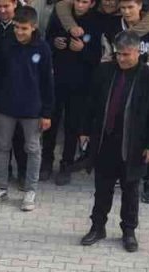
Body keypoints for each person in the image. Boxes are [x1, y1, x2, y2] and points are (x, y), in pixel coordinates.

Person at [80, 31, 149, 253]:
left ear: (138, 52)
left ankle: (129, 231)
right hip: (105, 141)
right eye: (118, 54)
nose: (122, 59)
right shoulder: (104, 71)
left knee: (130, 190)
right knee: (102, 189)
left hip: (134, 144)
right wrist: (85, 130)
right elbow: (91, 103)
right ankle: (97, 227)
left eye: (126, 54)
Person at [0, 6, 52, 211]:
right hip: (6, 107)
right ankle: (1, 187)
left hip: (32, 110)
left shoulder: (42, 48)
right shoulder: (6, 45)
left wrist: (47, 113)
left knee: (32, 149)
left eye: (24, 28)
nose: (19, 32)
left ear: (33, 27)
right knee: (2, 147)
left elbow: (47, 82)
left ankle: (30, 190)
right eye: (16, 27)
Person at [43, 0, 103, 186]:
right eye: (77, 0)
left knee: (72, 126)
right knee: (50, 124)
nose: (80, 5)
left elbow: (99, 56)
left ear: (92, 4)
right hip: (58, 79)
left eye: (84, 2)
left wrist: (83, 50)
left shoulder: (96, 21)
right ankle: (46, 162)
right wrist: (55, 43)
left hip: (81, 84)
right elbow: (47, 39)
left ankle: (66, 164)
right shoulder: (60, 15)